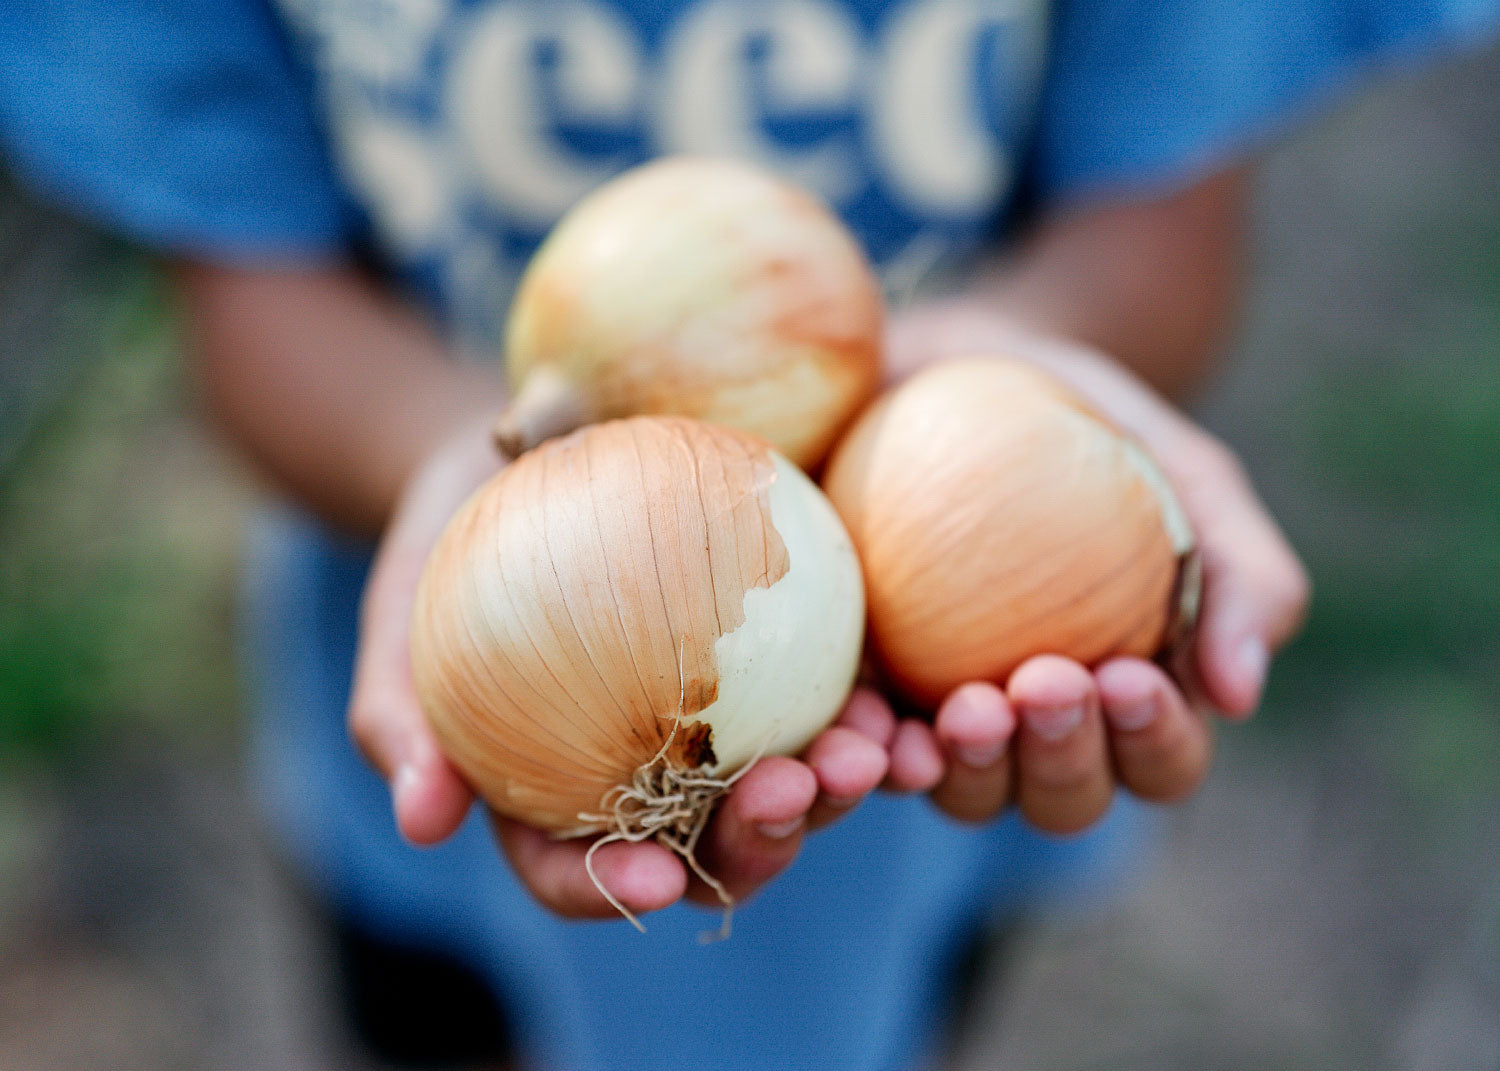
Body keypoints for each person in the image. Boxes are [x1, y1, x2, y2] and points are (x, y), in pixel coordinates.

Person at [2, 0, 1493, 1067]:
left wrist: (1013, 356)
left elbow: (1158, 236)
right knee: (428, 1015)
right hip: (452, 753)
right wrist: (434, 454)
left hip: (913, 777)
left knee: (903, 1012)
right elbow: (248, 310)